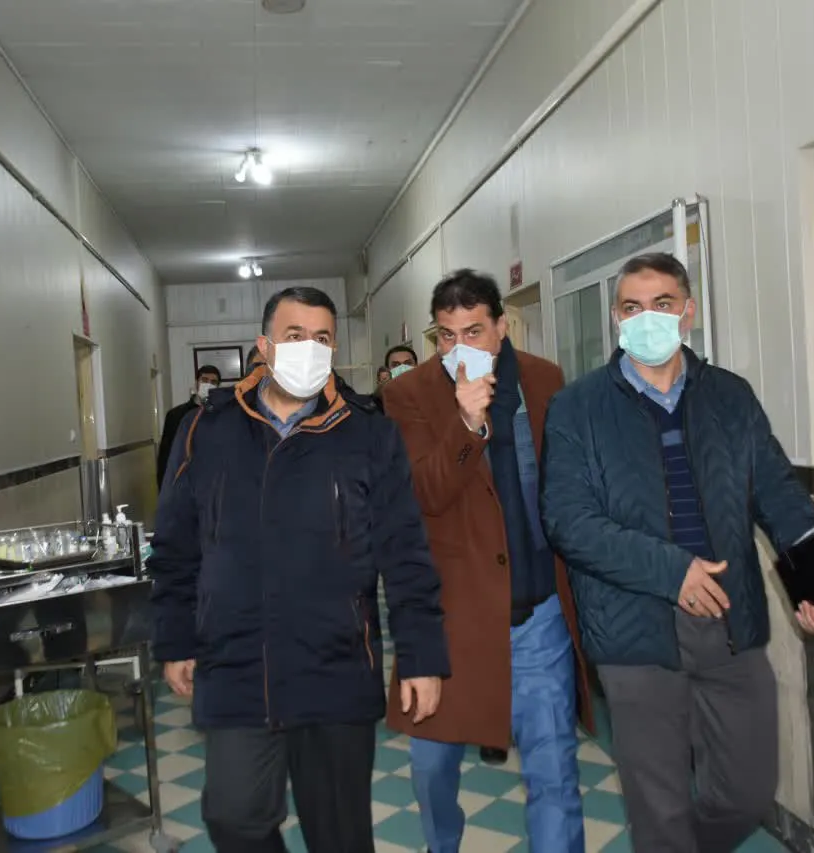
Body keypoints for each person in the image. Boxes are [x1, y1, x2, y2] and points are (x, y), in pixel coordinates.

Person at [540, 252, 814, 853]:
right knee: (659, 808)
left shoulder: (729, 396)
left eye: (661, 304)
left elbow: (780, 497)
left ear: (687, 312)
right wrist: (672, 571)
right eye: (632, 307)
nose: (646, 318)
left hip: (730, 620)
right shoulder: (578, 408)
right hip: (633, 627)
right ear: (616, 318)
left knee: (747, 793)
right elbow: (569, 522)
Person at [149, 285, 451, 853]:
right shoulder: (205, 431)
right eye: (294, 335)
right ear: (264, 346)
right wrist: (175, 638)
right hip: (237, 664)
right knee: (233, 818)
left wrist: (422, 655)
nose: (309, 348)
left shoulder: (368, 433)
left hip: (335, 667)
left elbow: (405, 551)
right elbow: (175, 547)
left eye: (322, 338)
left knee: (339, 837)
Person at [381, 269, 593, 853]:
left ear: (502, 327)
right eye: (447, 336)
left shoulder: (544, 380)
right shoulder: (410, 395)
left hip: (537, 615)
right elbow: (423, 493)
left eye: (473, 332)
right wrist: (466, 423)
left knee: (554, 773)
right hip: (453, 619)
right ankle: (442, 845)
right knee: (431, 769)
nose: (460, 347)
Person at [156, 364, 222, 488]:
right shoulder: (176, 415)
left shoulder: (222, 415)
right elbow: (165, 455)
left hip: (212, 482)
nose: (208, 385)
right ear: (196, 383)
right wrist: (163, 487)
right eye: (204, 380)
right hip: (183, 481)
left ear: (218, 387)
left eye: (213, 382)